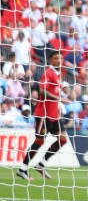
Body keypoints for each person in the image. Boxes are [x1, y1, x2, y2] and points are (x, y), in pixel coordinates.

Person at [17, 51, 69, 181]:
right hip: (43, 114)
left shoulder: (58, 74)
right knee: (39, 141)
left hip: (54, 115)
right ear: (51, 60)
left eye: (61, 58)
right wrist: (59, 97)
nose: (59, 60)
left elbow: (55, 90)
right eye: (56, 58)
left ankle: (41, 164)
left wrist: (62, 93)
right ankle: (22, 169)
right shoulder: (48, 73)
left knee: (63, 139)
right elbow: (41, 91)